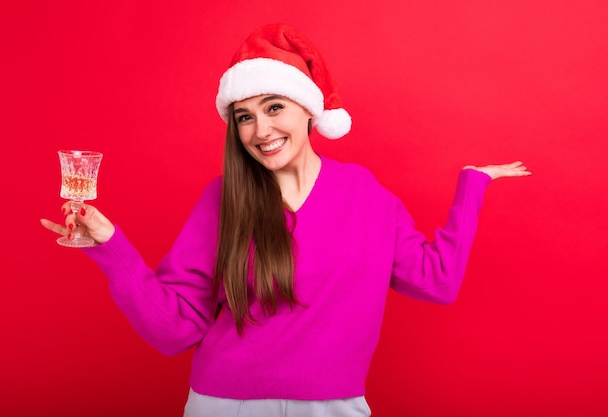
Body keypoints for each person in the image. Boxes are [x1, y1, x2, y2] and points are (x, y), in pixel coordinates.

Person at [41, 23, 531, 417]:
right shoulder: (224, 200)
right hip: (223, 405)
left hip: (334, 405)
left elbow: (437, 282)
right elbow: (173, 329)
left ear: (308, 110)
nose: (261, 130)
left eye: (274, 108)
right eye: (245, 116)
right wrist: (109, 246)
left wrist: (472, 186)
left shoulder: (365, 194)